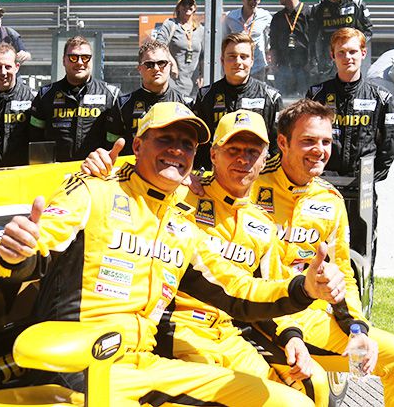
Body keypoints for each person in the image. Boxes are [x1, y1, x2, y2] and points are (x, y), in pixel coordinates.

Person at [0, 101, 346, 406]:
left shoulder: (182, 227)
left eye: (187, 144)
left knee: (289, 402)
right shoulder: (94, 190)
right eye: (165, 139)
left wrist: (305, 288)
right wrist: (16, 253)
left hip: (145, 364)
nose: (177, 150)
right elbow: (35, 249)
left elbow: (237, 290)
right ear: (138, 145)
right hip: (82, 366)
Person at [81, 111, 331, 406]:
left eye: (252, 152)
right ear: (214, 155)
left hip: (228, 328)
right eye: (233, 150)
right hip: (177, 328)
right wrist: (101, 168)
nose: (243, 160)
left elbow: (253, 288)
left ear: (264, 160)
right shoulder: (180, 194)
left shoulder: (261, 224)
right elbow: (139, 183)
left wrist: (293, 329)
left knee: (308, 387)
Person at [250, 99, 394, 407]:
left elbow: (344, 274)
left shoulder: (330, 199)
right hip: (263, 318)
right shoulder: (250, 185)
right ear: (283, 143)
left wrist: (357, 329)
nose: (319, 150)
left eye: (326, 141)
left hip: (314, 318)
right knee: (311, 386)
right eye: (308, 141)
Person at [306, 28, 394, 277]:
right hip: (322, 185)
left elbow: (388, 148)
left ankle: (361, 298)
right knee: (317, 247)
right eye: (342, 52)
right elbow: (305, 138)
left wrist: (368, 178)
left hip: (362, 187)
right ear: (332, 55)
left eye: (353, 51)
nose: (348, 57)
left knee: (361, 249)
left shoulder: (381, 97)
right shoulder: (316, 95)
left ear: (363, 53)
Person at [192, 32, 282, 169]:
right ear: (222, 60)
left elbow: (277, 146)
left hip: (256, 175)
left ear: (252, 61)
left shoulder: (271, 97)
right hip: (215, 174)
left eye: (244, 57)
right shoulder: (206, 96)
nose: (238, 62)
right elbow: (198, 143)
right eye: (232, 56)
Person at [29, 35, 119, 162]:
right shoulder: (45, 95)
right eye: (73, 57)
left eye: (85, 57)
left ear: (91, 60)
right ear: (64, 60)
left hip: (96, 170)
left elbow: (117, 140)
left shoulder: (111, 95)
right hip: (56, 171)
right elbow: (34, 138)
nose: (80, 62)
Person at [105, 40, 188, 155]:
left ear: (169, 65)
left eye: (161, 63)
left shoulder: (185, 104)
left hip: (171, 164)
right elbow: (111, 146)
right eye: (149, 64)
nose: (156, 68)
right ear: (139, 68)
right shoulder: (122, 105)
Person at [308, 0, 373, 83]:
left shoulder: (356, 4)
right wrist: (315, 61)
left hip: (352, 56)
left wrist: (356, 45)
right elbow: (313, 39)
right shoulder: (318, 9)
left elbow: (368, 30)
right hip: (330, 59)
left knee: (355, 85)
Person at [155, 0, 205, 99]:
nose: (187, 6)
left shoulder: (201, 30)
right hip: (173, 83)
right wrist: (172, 62)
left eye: (190, 4)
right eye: (184, 4)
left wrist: (203, 74)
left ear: (195, 7)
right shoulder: (171, 24)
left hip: (193, 87)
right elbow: (159, 45)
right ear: (178, 7)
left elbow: (203, 55)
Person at [268, 0, 311, 98]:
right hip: (283, 68)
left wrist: (310, 64)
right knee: (282, 102)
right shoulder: (278, 17)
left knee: (305, 102)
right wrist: (274, 65)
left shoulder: (309, 13)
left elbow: (316, 41)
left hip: (304, 67)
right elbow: (273, 43)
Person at [223, 0, 272, 81]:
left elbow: (271, 36)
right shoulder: (231, 17)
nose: (252, 1)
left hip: (258, 66)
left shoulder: (265, 16)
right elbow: (224, 39)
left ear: (259, 0)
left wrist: (269, 53)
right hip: (237, 65)